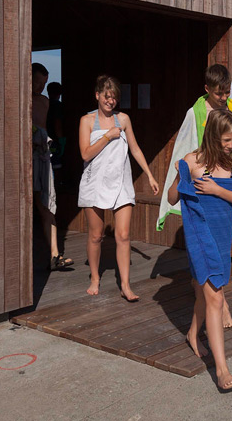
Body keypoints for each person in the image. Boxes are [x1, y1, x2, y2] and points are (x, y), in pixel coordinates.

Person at [156, 64, 232, 328]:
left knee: (218, 259)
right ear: (207, 90)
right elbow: (187, 144)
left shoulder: (231, 110)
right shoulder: (196, 113)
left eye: (226, 92)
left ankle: (201, 320)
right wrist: (186, 175)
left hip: (221, 188)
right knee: (205, 262)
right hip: (201, 186)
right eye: (219, 93)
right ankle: (219, 309)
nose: (223, 98)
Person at [167, 109, 232, 391]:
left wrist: (217, 190)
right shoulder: (192, 161)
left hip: (222, 234)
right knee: (215, 296)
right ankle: (222, 370)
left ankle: (193, 333)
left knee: (207, 290)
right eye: (227, 140)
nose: (231, 145)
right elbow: (171, 197)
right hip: (199, 235)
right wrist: (181, 177)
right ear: (213, 136)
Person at [78, 75, 159, 299]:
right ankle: (95, 278)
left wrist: (150, 175)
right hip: (94, 183)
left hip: (121, 183)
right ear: (97, 96)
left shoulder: (123, 119)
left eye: (114, 98)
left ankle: (125, 285)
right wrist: (107, 137)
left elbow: (135, 149)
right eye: (106, 96)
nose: (110, 101)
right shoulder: (87, 121)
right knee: (96, 235)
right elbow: (85, 153)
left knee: (123, 235)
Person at [32, 63, 72, 270]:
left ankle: (55, 254)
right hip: (23, 158)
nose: (39, 86)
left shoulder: (43, 101)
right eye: (37, 81)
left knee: (47, 204)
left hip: (40, 156)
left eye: (43, 83)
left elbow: (42, 126)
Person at [46, 81, 66, 188]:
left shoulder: (45, 104)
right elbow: (57, 123)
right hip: (54, 141)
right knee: (57, 167)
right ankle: (57, 188)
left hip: (45, 138)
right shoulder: (58, 106)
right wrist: (61, 140)